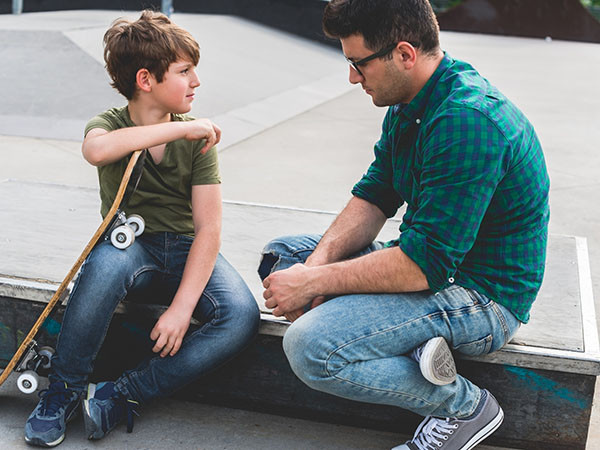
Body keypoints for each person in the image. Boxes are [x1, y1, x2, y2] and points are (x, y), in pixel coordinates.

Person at [259, 0, 549, 449]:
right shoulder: (411, 100)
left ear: (404, 54)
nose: (353, 77)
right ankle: (412, 344)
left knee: (310, 348)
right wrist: (310, 272)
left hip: (482, 296)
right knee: (283, 257)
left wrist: (314, 283)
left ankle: (464, 407)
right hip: (430, 265)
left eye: (358, 64)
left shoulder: (467, 121)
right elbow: (374, 196)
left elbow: (421, 268)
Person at [24, 10, 260, 447]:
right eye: (185, 71)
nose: (197, 82)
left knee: (241, 315)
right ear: (146, 80)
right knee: (102, 269)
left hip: (187, 247)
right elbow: (96, 151)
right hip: (132, 248)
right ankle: (64, 390)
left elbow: (209, 229)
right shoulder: (111, 124)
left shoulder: (196, 138)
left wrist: (182, 309)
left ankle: (124, 393)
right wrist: (168, 134)